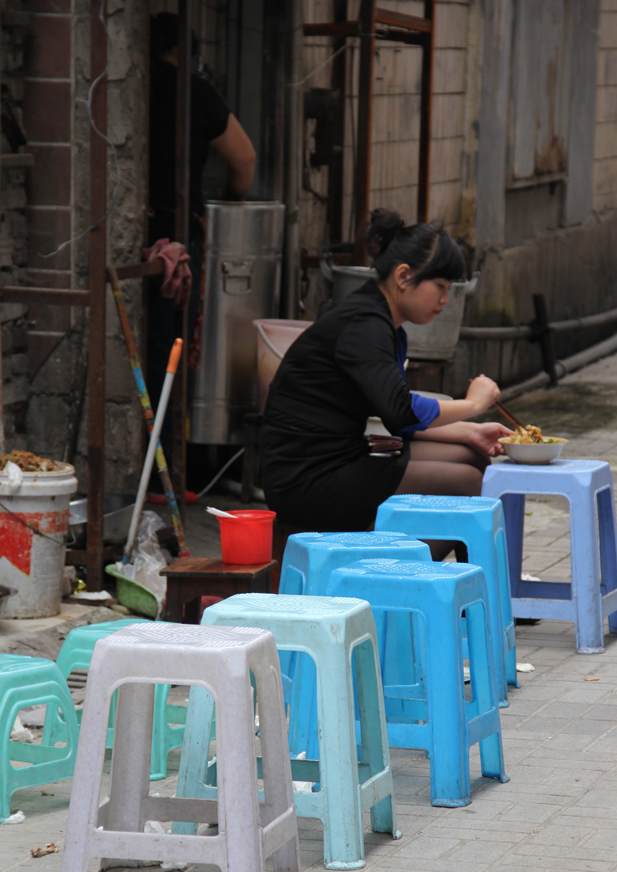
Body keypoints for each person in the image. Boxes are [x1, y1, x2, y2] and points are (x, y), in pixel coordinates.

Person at [260, 208, 513, 555]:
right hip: (308, 478)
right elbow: (399, 410)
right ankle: (405, 581)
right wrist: (472, 405)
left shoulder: (381, 320)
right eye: (440, 286)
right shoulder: (365, 324)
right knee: (471, 483)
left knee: (472, 456)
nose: (445, 300)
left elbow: (392, 416)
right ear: (404, 276)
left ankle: (459, 590)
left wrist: (469, 431)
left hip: (341, 457)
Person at [146, 12, 257, 468]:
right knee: (169, 355)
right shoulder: (193, 90)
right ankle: (167, 469)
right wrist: (227, 198)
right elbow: (244, 158)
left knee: (150, 352)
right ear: (183, 53)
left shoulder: (131, 85)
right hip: (174, 237)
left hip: (137, 231)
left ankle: (151, 471)